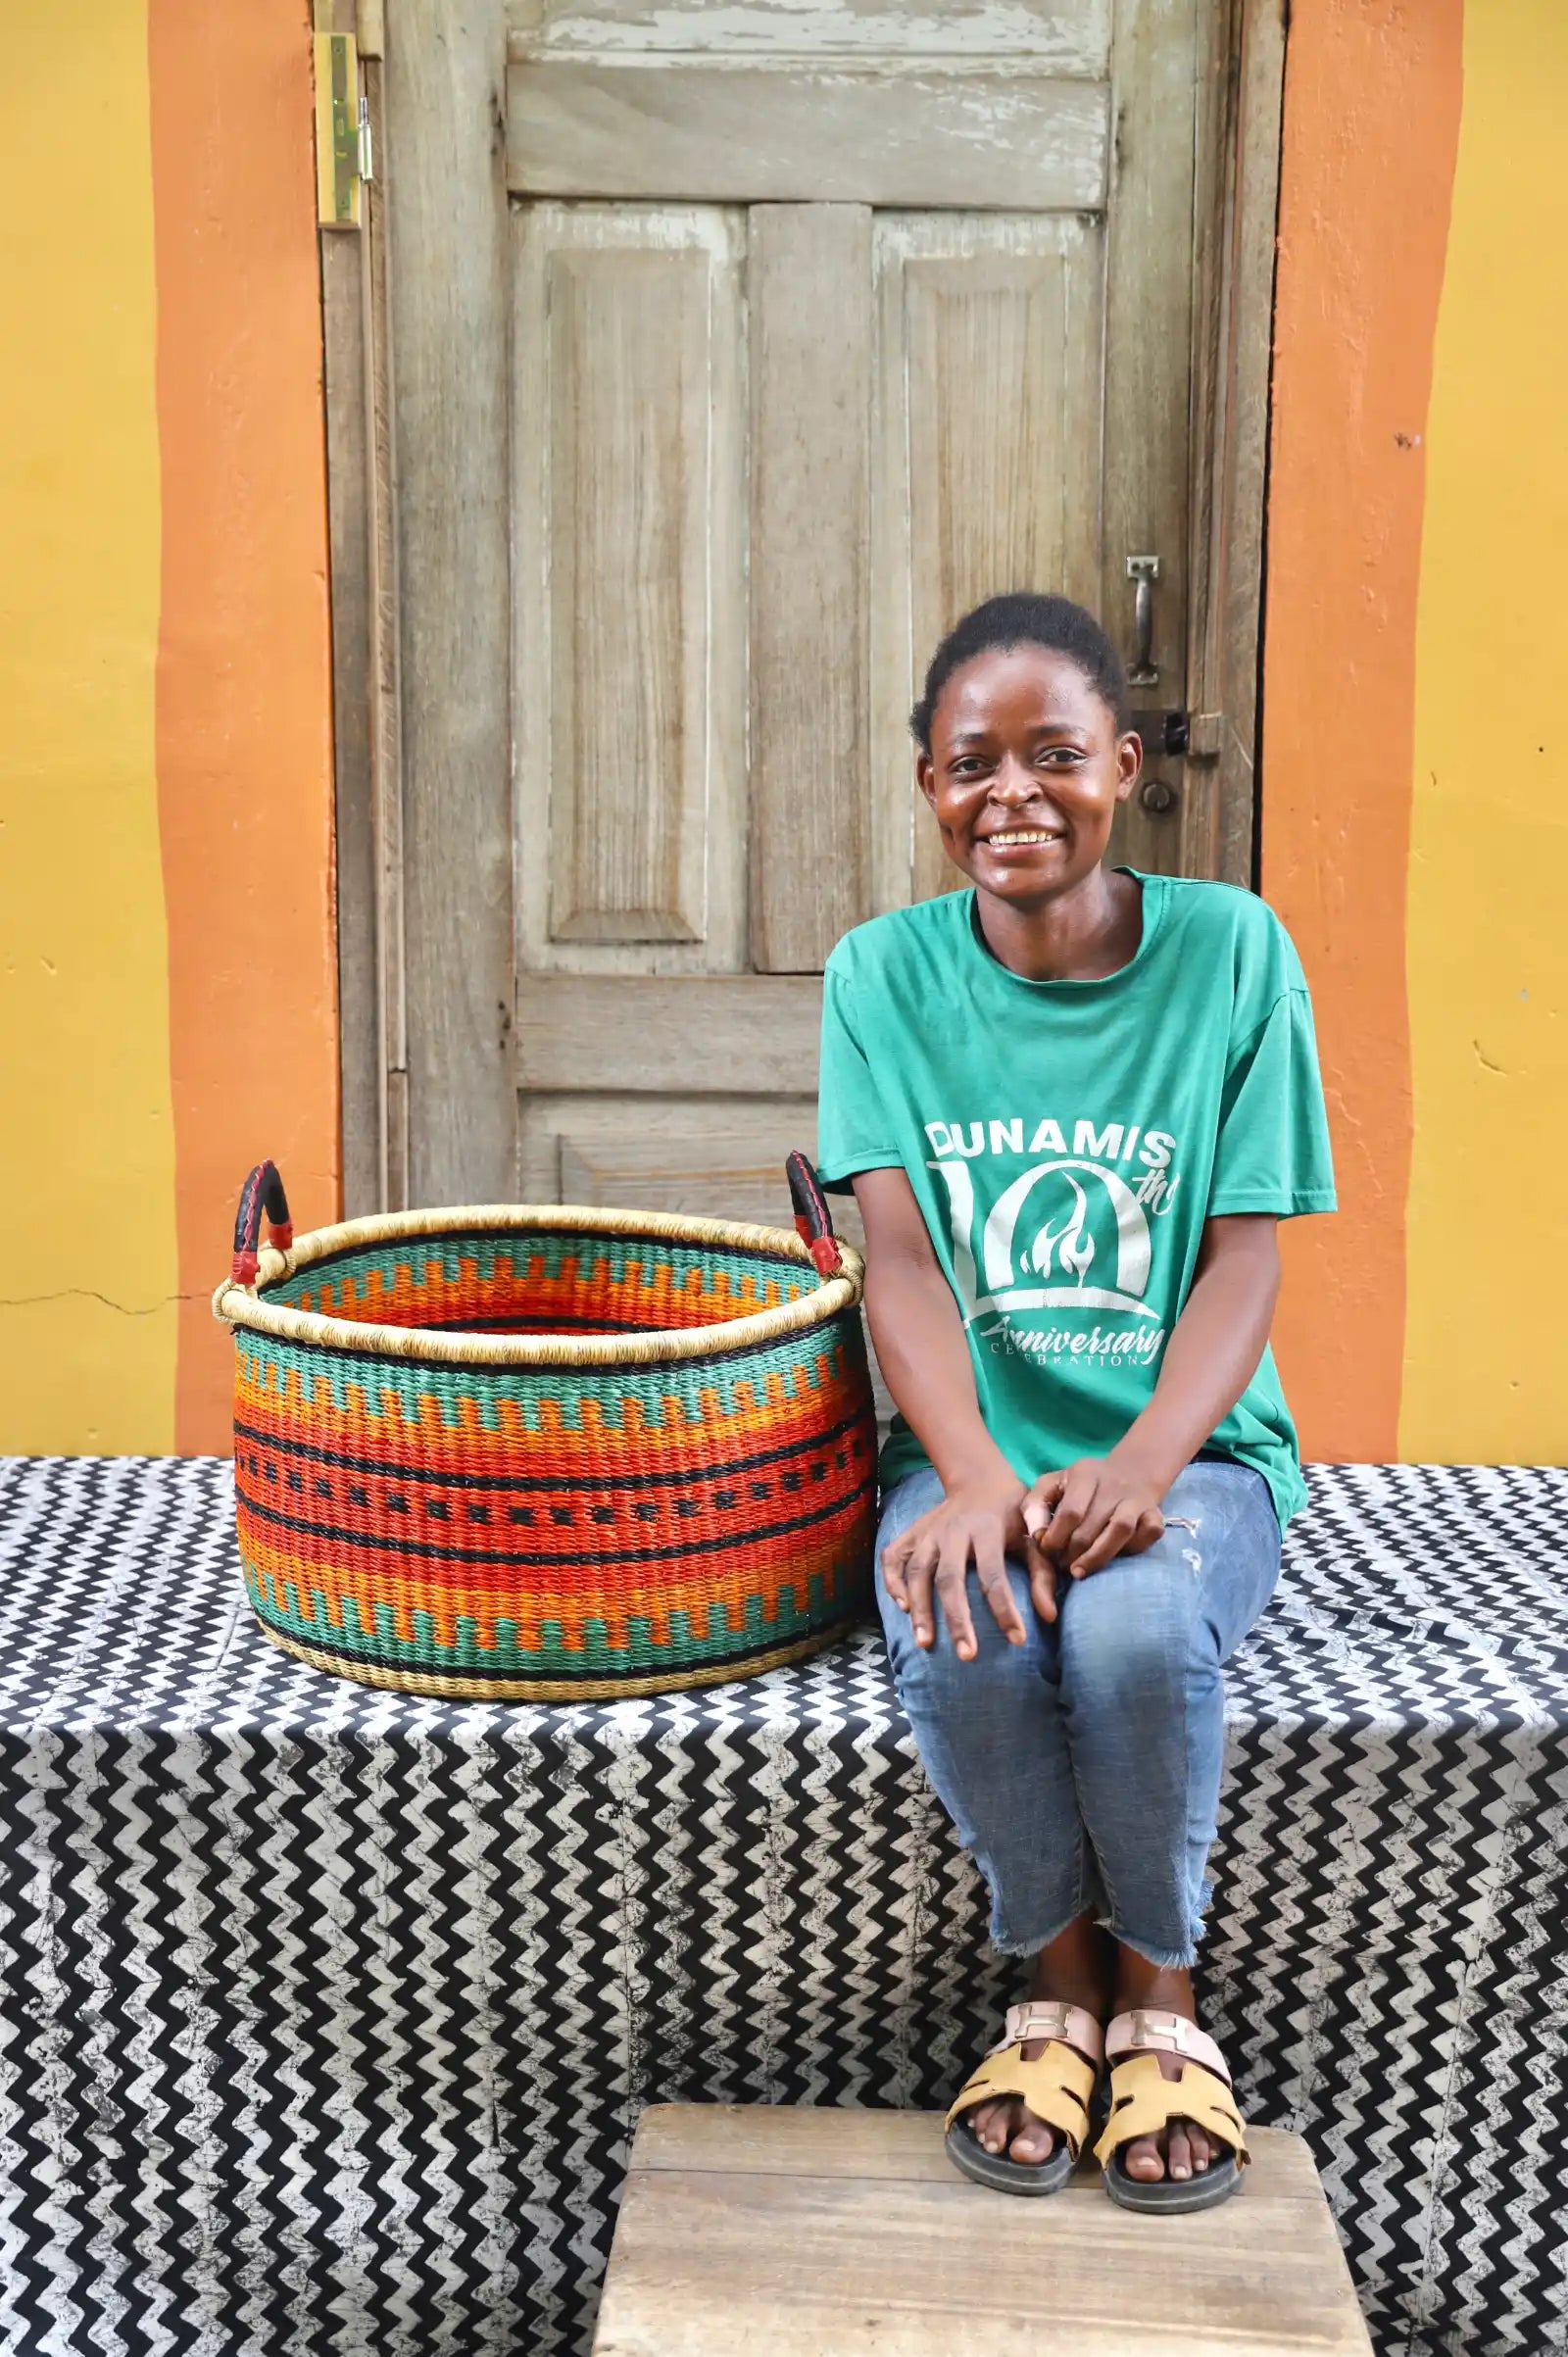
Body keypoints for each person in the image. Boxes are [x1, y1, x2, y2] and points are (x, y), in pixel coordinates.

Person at [815, 592, 1336, 2211]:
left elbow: (1245, 1259)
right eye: (972, 762)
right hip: (970, 1442)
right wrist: (974, 1475)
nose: (1013, 794)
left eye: (1055, 754)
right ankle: (1054, 1980)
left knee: (1131, 1633)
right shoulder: (881, 976)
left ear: (1124, 764)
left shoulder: (1234, 953)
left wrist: (1148, 1463)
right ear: (928, 784)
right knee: (967, 1620)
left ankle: (1159, 1987)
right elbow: (901, 1266)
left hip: (1191, 1448)